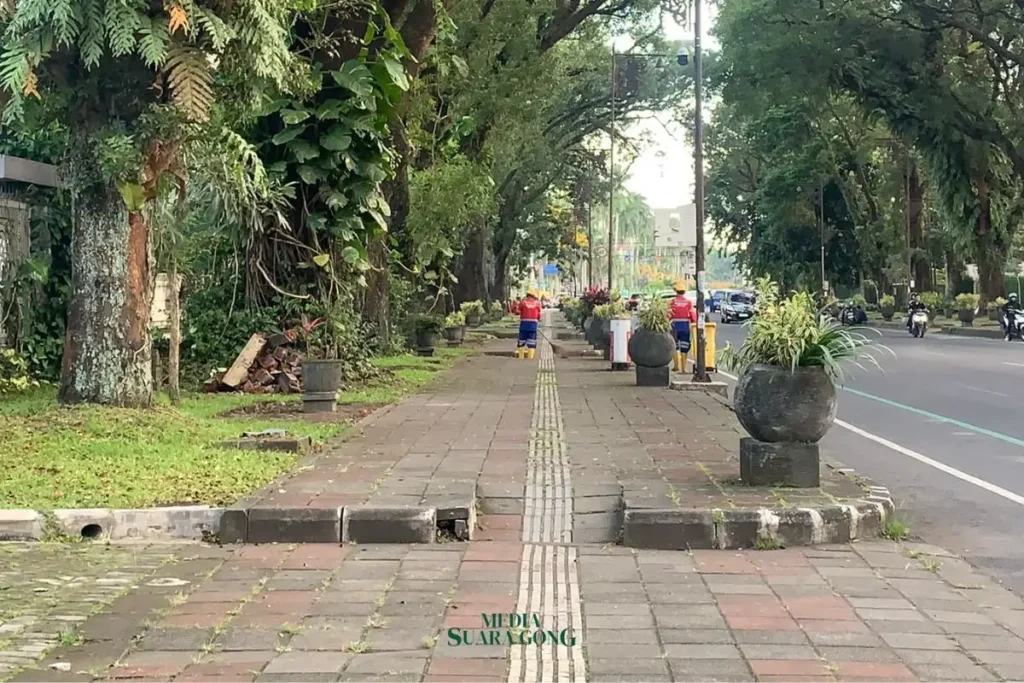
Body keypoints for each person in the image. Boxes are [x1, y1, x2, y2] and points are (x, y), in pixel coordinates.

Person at [668, 280, 698, 372]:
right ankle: (684, 368)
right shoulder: (688, 303)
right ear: (684, 292)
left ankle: (676, 366)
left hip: (674, 326)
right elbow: (693, 316)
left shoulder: (672, 302)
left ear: (676, 291)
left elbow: (668, 315)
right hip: (685, 326)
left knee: (674, 346)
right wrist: (694, 322)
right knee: (684, 347)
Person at [516, 289, 542, 359]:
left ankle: (520, 358)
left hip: (523, 325)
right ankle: (530, 358)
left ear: (527, 295)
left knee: (521, 341)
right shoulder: (537, 303)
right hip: (533, 325)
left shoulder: (523, 302)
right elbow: (539, 316)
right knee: (532, 342)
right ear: (534, 296)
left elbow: (517, 311)